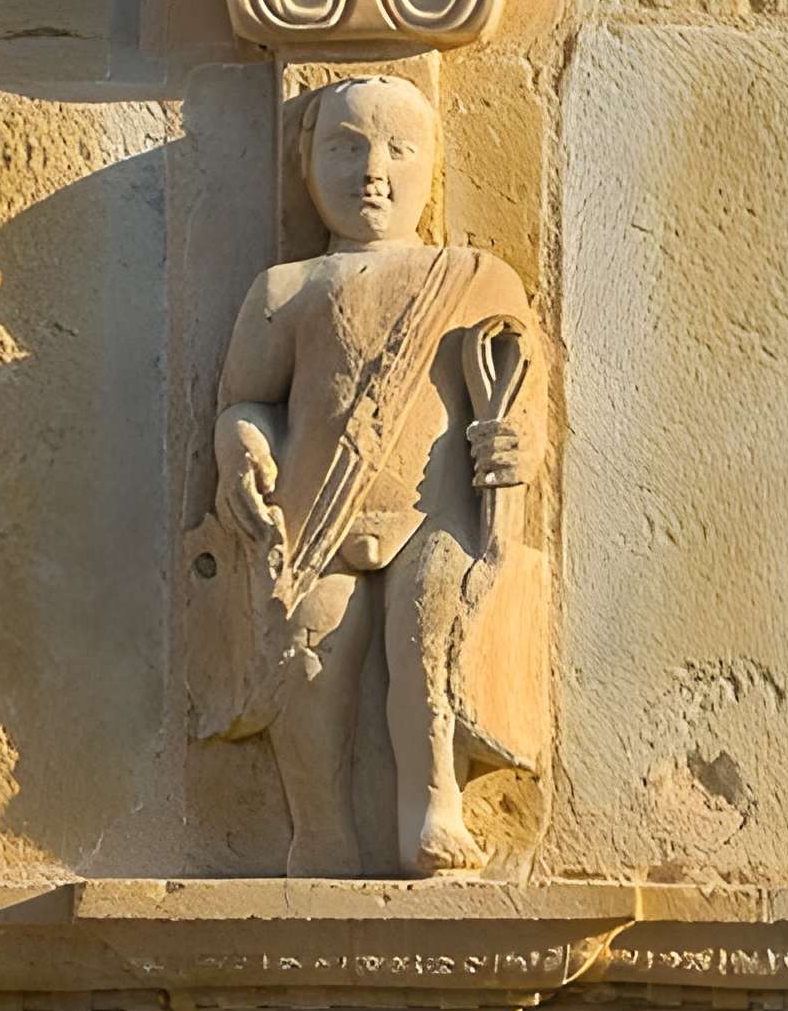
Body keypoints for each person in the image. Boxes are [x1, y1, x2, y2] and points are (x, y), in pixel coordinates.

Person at [206, 75, 542, 876]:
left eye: (399, 150)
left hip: (435, 518)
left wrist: (511, 451)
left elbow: (516, 399)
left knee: (428, 639)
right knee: (309, 658)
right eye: (346, 148)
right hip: (319, 517)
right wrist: (241, 446)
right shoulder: (286, 290)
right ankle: (318, 830)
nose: (373, 171)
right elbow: (246, 400)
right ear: (306, 162)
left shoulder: (472, 278)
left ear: (431, 165)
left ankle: (432, 806)